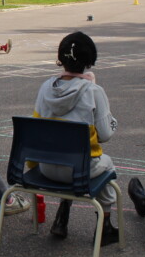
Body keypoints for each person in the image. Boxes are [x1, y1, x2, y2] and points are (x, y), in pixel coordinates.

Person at [33, 31, 120, 244]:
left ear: (61, 58)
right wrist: (111, 117)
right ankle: (105, 224)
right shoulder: (93, 91)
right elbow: (106, 135)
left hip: (46, 167)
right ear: (90, 61)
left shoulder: (45, 87)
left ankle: (62, 216)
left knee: (70, 155)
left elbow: (36, 127)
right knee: (107, 165)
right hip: (80, 172)